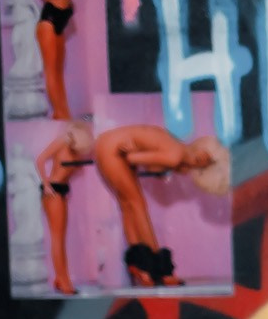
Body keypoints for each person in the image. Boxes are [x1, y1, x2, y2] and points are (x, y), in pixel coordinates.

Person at [90, 121, 231, 286]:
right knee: (137, 204)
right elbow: (131, 158)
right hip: (112, 149)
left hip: (108, 144)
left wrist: (134, 147)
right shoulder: (175, 155)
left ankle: (139, 265)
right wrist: (133, 149)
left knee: (128, 205)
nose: (197, 161)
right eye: (202, 159)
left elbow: (138, 155)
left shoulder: (176, 148)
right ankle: (159, 268)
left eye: (203, 163)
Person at [36, 121, 95, 296]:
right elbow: (40, 159)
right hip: (53, 191)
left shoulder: (78, 149)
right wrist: (46, 185)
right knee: (57, 238)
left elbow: (67, 171)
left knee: (61, 237)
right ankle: (63, 280)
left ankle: (60, 279)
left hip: (62, 191)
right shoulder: (62, 141)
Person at [19, 0, 75, 121]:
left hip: (59, 24)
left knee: (58, 72)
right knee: (51, 71)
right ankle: (59, 112)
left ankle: (64, 112)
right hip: (48, 23)